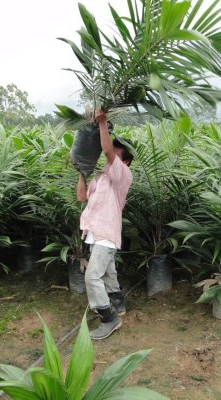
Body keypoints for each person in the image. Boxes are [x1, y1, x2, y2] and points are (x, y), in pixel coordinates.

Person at [76, 109, 134, 340]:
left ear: (126, 160)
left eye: (117, 149)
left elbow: (108, 151)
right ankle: (118, 305)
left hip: (106, 235)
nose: (110, 150)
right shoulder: (101, 177)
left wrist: (102, 123)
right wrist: (81, 172)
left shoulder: (123, 174)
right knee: (108, 274)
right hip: (94, 233)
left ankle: (109, 318)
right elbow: (82, 197)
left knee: (92, 277)